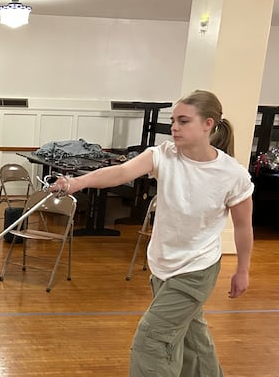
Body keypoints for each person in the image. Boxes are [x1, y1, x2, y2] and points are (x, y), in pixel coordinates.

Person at [52, 90, 253, 376]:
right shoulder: (162, 155)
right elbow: (120, 173)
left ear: (208, 124)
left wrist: (242, 270)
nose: (174, 127)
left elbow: (244, 226)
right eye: (173, 120)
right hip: (162, 266)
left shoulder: (232, 174)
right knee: (193, 340)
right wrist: (75, 183)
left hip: (196, 271)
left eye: (183, 121)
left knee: (152, 338)